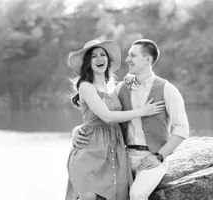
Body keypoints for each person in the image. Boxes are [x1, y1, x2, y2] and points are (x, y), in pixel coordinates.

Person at [71, 39, 190, 200]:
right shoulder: (121, 88)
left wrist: (159, 156)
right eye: (128, 56)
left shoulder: (168, 89)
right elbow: (103, 114)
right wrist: (78, 129)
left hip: (151, 157)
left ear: (147, 60)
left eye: (132, 56)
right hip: (122, 157)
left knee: (136, 194)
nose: (127, 60)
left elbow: (182, 129)